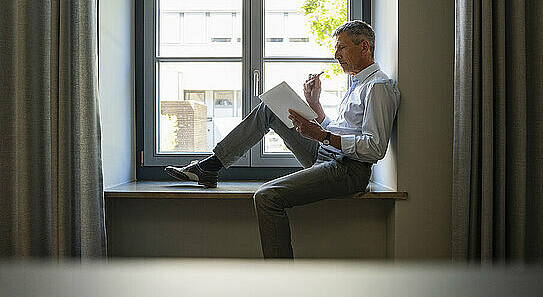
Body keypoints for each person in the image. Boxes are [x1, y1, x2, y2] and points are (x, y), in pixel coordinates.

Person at [165, 20, 401, 258]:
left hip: (348, 170)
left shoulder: (378, 87)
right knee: (270, 108)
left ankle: (282, 282)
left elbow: (374, 148)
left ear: (364, 47)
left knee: (267, 197)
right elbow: (339, 131)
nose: (336, 54)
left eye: (341, 47)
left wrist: (321, 135)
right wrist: (314, 104)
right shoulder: (357, 84)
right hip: (327, 155)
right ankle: (210, 167)